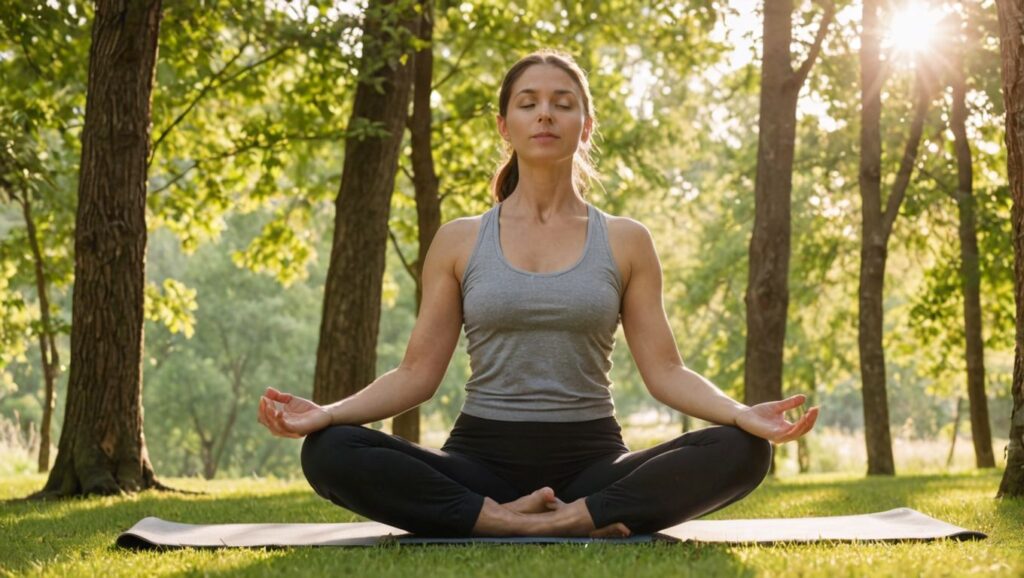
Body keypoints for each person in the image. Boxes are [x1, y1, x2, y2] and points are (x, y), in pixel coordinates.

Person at [257, 49, 819, 538]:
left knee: (745, 450)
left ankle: (569, 515)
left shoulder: (626, 241)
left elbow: (666, 372)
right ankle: (506, 518)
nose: (545, 112)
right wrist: (327, 413)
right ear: (505, 125)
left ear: (586, 125)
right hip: (479, 462)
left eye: (562, 102)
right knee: (330, 451)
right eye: (528, 103)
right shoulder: (460, 240)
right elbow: (415, 375)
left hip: (593, 465)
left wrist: (743, 414)